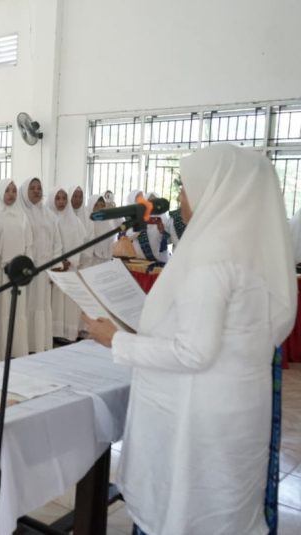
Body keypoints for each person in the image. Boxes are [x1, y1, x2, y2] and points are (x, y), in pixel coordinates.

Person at [84, 144, 296, 535]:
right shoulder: (249, 247)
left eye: (186, 187)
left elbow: (194, 351)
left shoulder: (213, 255)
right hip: (237, 408)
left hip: (198, 416)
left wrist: (116, 340)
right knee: (224, 509)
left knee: (188, 512)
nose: (180, 197)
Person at [0, 179, 33, 359]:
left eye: (14, 191)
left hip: (18, 272)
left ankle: (16, 349)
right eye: (7, 190)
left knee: (17, 310)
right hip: (1, 271)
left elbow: (29, 243)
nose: (11, 194)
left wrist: (27, 267)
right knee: (1, 309)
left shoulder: (22, 216)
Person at [19, 178, 60, 352]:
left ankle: (39, 344)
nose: (36, 191)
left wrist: (55, 263)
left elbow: (56, 241)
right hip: (27, 267)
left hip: (44, 267)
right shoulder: (21, 213)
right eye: (32, 188)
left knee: (42, 304)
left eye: (39, 188)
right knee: (27, 304)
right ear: (25, 192)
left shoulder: (49, 214)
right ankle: (24, 344)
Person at [49, 187, 85, 342]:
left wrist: (69, 261)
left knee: (68, 302)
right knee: (54, 302)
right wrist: (56, 261)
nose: (61, 202)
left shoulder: (74, 221)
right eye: (58, 198)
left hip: (69, 267)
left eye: (64, 198)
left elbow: (80, 243)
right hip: (54, 267)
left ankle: (67, 334)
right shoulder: (48, 217)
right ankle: (52, 332)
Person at [125, 190, 171, 264]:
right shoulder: (139, 216)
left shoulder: (163, 218)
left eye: (155, 202)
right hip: (137, 261)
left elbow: (170, 239)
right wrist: (140, 226)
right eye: (150, 201)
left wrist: (162, 230)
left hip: (157, 262)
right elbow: (128, 236)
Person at [83, 194, 115, 267]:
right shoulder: (87, 223)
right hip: (88, 263)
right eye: (96, 205)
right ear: (91, 206)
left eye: (102, 205)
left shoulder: (108, 224)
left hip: (104, 263)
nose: (100, 208)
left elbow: (110, 246)